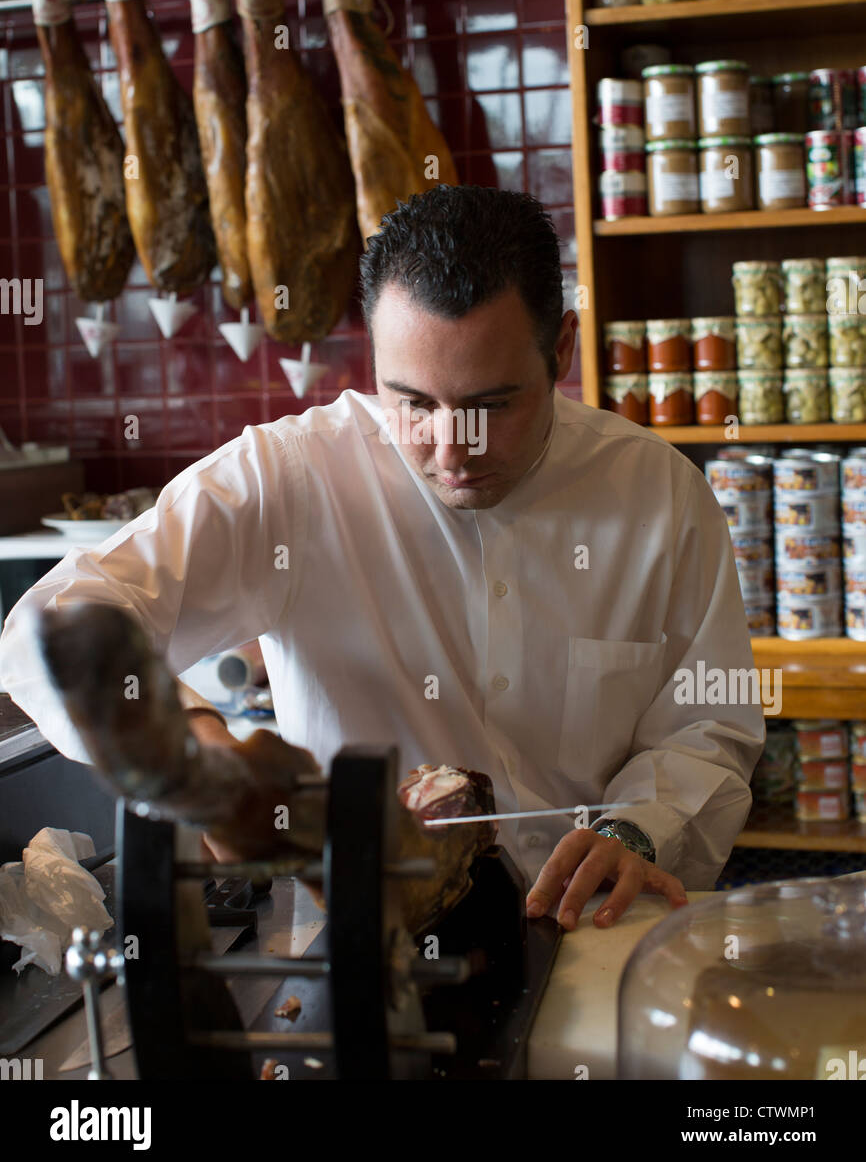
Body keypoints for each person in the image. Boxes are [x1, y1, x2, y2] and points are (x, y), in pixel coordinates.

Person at [0, 185, 764, 931]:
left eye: (493, 405)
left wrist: (638, 829)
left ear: (561, 348)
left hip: (595, 929)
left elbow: (708, 726)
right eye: (414, 403)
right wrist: (197, 751)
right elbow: (51, 624)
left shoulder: (660, 496)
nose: (451, 450)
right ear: (373, 360)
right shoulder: (292, 477)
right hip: (366, 950)